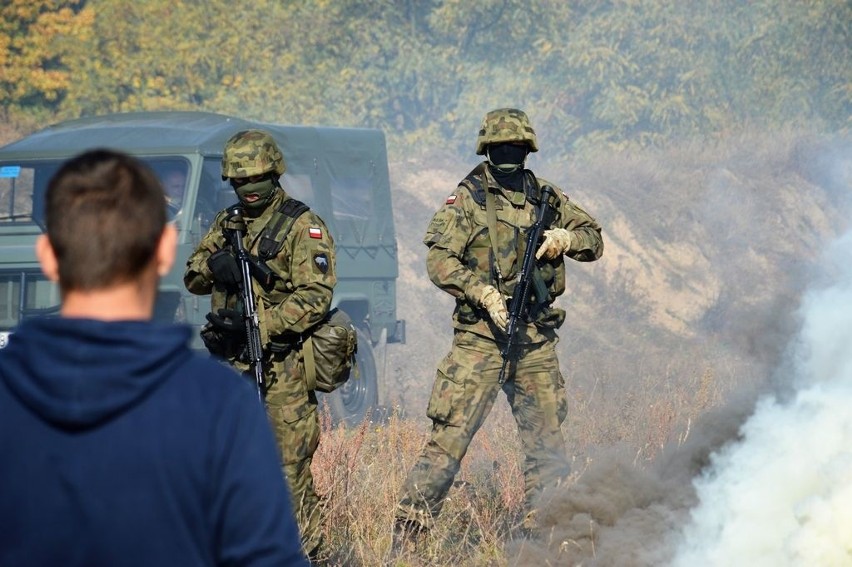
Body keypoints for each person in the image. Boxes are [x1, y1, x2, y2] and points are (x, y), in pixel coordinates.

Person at [0, 149, 307, 566]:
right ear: (165, 250)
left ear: (47, 255)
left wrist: (261, 324)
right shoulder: (217, 406)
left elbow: (314, 297)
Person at [394, 108, 605, 540]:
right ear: (486, 150)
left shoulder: (545, 195)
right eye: (500, 149)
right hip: (480, 341)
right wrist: (483, 293)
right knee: (449, 439)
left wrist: (566, 238)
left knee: (546, 445)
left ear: (527, 150)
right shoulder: (467, 198)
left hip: (534, 339)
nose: (508, 155)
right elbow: (439, 261)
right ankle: (408, 534)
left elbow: (594, 238)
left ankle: (546, 534)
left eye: (515, 148)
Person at [184, 130, 336, 560]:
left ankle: (308, 554)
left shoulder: (301, 226)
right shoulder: (226, 222)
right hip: (229, 368)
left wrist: (260, 325)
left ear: (275, 173)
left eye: (257, 179)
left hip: (283, 368)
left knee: (289, 473)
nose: (248, 189)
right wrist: (218, 267)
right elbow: (193, 279)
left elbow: (315, 297)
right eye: (239, 181)